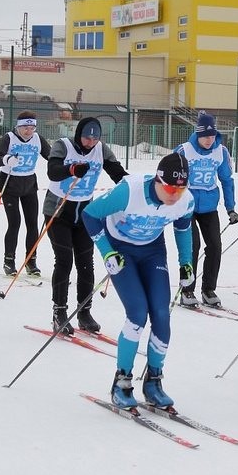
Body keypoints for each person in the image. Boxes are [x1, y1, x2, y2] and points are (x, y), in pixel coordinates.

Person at [82, 153, 194, 409]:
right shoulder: (129, 191)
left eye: (181, 188)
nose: (175, 194)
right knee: (137, 313)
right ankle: (122, 381)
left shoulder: (185, 200)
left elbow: (183, 229)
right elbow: (90, 214)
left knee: (161, 315)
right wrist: (106, 251)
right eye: (169, 188)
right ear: (157, 180)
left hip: (152, 250)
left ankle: (153, 381)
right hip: (121, 249)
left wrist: (186, 263)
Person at [43, 117, 128, 335]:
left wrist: (134, 189)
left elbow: (117, 173)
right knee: (64, 261)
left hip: (85, 214)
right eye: (86, 137)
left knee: (86, 263)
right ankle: (59, 312)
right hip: (58, 210)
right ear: (78, 134)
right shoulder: (64, 145)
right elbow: (52, 171)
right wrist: (71, 169)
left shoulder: (101, 149)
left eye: (95, 137)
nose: (90, 142)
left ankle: (84, 311)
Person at [172, 111, 238, 308]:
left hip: (209, 207)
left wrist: (231, 208)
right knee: (191, 247)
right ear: (197, 134)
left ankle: (208, 289)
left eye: (212, 136)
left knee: (215, 247)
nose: (209, 140)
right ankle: (188, 289)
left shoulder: (221, 151)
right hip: (186, 206)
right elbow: (169, 179)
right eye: (205, 136)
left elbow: (227, 180)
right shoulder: (184, 150)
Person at [0, 110, 50, 277]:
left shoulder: (38, 139)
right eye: (25, 127)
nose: (28, 131)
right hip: (9, 184)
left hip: (29, 184)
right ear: (18, 127)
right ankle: (9, 261)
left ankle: (31, 261)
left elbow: (53, 156)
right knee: (15, 222)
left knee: (33, 224)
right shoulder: (8, 138)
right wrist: (6, 159)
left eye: (31, 127)